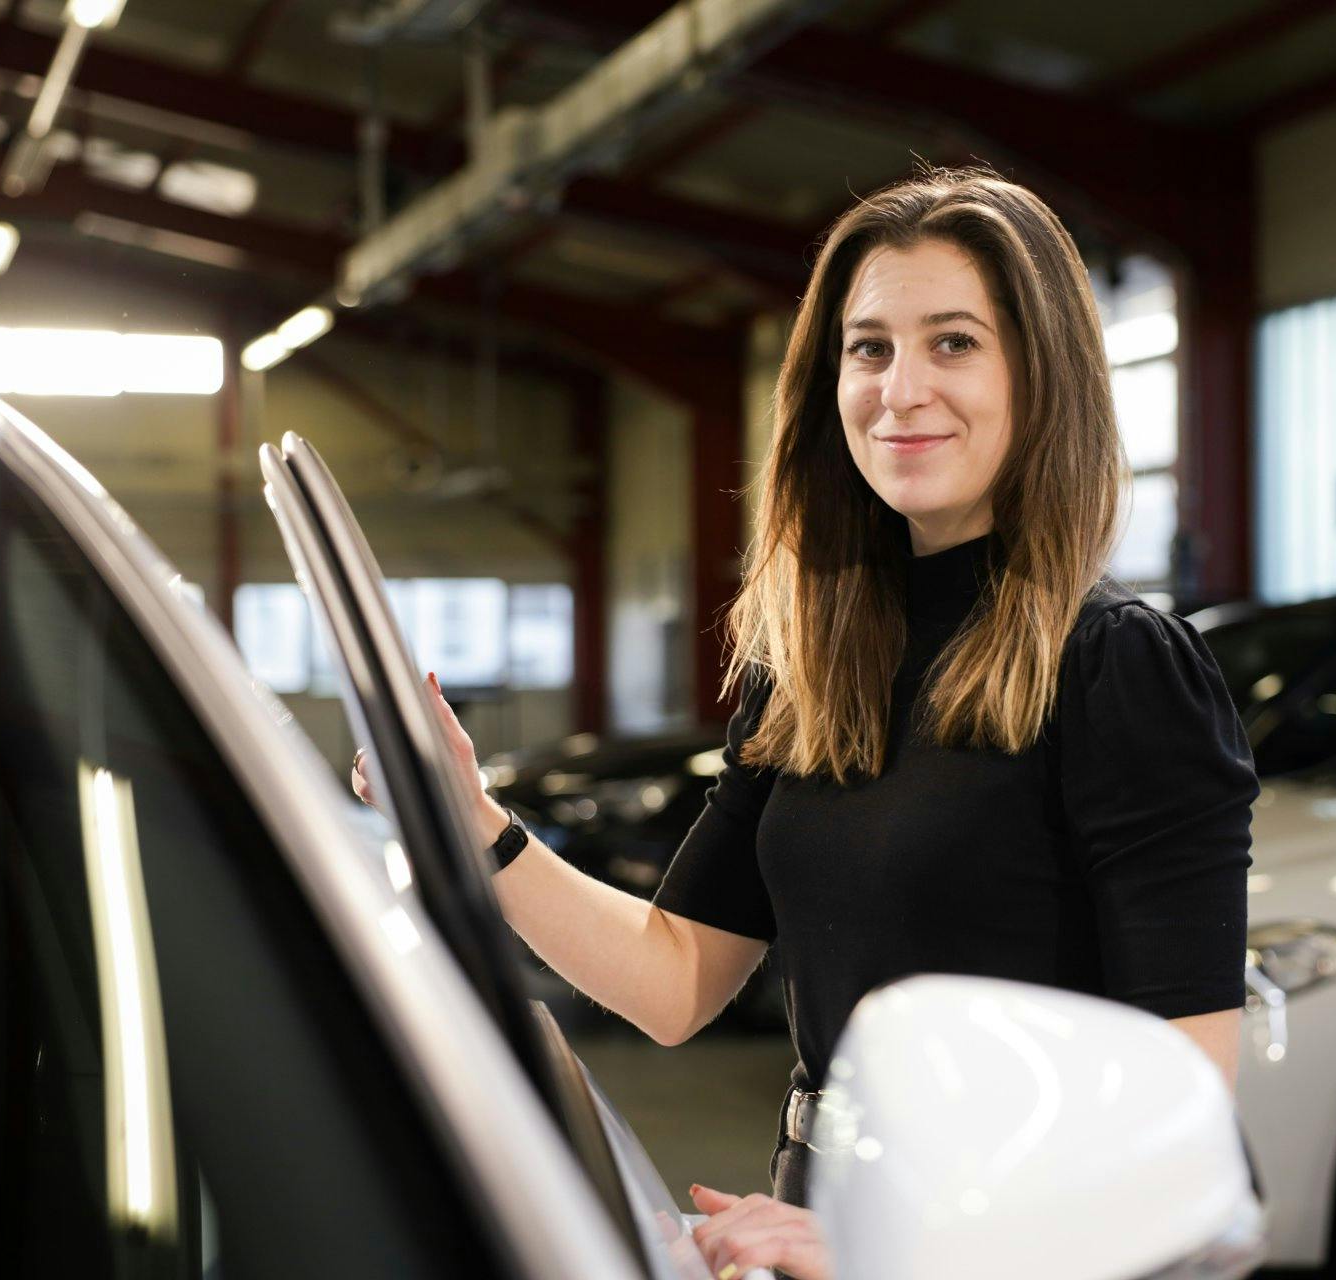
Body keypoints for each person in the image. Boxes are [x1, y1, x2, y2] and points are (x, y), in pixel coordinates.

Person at [356, 166, 1259, 1280]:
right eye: (869, 348)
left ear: (1043, 374)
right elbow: (677, 977)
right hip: (829, 1211)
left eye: (955, 343)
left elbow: (1182, 1102)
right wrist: (471, 820)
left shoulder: (1118, 664)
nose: (900, 390)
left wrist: (895, 1249)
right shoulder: (814, 666)